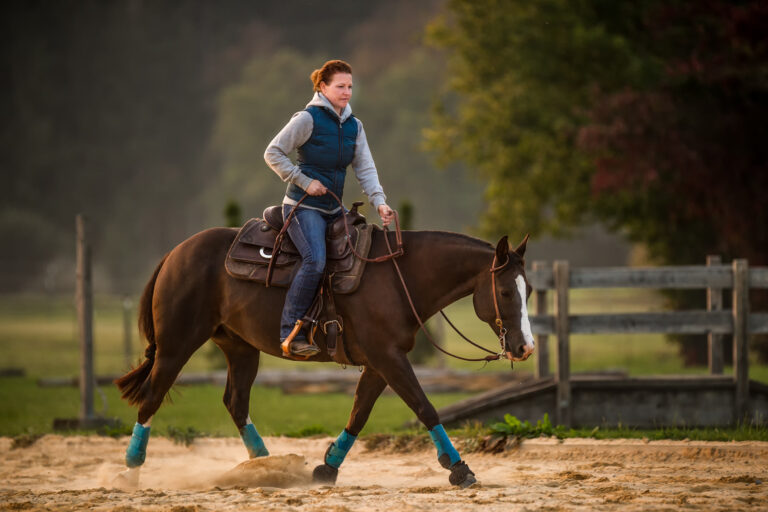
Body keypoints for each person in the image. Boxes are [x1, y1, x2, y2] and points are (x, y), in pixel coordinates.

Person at [264, 59, 394, 356]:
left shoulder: (354, 126)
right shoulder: (307, 119)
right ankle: (290, 335)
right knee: (316, 261)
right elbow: (272, 152)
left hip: (333, 210)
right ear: (322, 87)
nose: (347, 92)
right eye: (340, 86)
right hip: (302, 206)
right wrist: (304, 181)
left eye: (350, 86)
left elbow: (366, 168)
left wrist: (380, 202)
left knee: (358, 260)